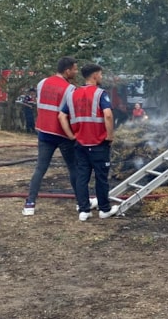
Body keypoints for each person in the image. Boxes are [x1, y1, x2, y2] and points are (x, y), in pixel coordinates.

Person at [22, 57, 97, 216]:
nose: (76, 72)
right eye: (74, 69)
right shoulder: (69, 89)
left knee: (40, 169)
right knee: (74, 168)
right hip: (63, 135)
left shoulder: (41, 83)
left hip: (44, 132)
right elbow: (70, 113)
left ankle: (29, 204)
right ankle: (80, 202)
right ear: (67, 70)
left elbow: (39, 105)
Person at [58, 63, 119, 221]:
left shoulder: (73, 94)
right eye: (100, 74)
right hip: (98, 143)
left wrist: (72, 136)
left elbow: (61, 116)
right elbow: (108, 115)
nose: (101, 77)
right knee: (101, 178)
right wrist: (110, 136)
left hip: (80, 143)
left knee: (82, 177)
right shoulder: (100, 94)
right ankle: (104, 209)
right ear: (95, 76)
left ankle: (84, 210)